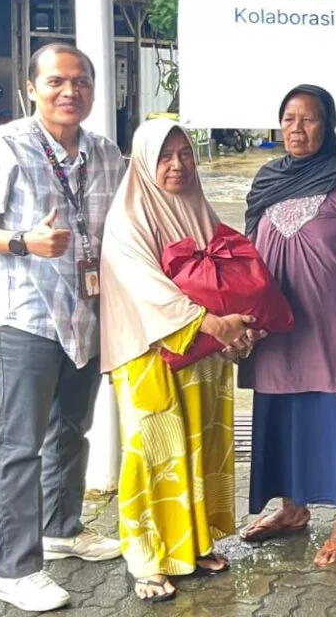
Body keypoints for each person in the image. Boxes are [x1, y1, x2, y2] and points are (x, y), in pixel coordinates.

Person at [0, 44, 125, 613]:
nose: (69, 91)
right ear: (31, 88)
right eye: (55, 81)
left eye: (81, 82)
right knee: (18, 446)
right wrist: (23, 241)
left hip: (87, 317)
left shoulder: (106, 153)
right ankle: (14, 570)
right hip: (26, 316)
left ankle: (61, 530)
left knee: (71, 430)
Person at [99, 120, 252, 602]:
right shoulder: (127, 219)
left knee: (198, 445)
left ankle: (193, 544)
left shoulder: (196, 207)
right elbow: (146, 286)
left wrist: (240, 320)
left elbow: (225, 270)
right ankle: (146, 559)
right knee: (151, 453)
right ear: (144, 162)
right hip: (148, 351)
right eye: (165, 156)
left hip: (200, 353)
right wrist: (213, 323)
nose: (177, 165)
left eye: (185, 154)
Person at [238, 84, 336, 566]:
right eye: (289, 118)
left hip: (331, 323)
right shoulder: (267, 179)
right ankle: (292, 509)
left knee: (335, 413)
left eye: (309, 119)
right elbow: (245, 252)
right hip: (276, 326)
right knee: (281, 413)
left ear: (328, 125)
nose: (297, 128)